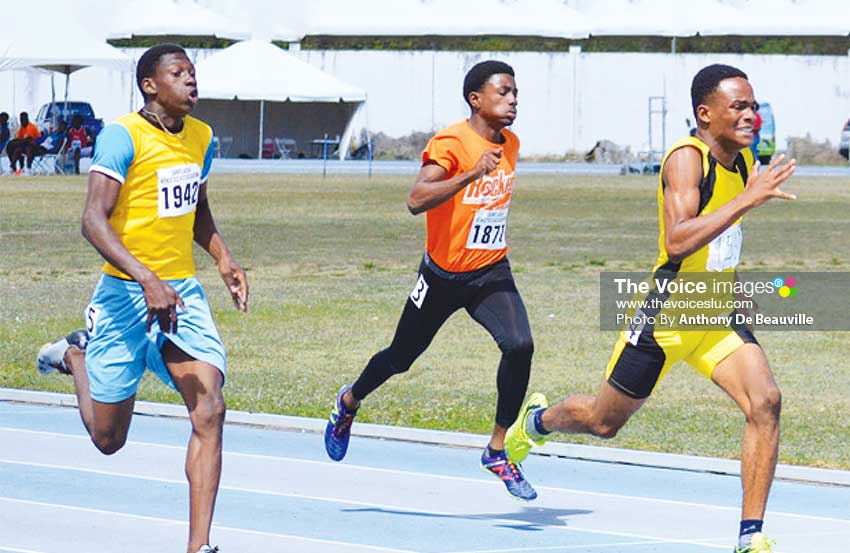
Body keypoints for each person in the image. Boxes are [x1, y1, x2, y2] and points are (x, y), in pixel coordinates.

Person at [505, 64, 796, 553]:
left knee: (766, 402)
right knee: (604, 422)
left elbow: (723, 245)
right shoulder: (687, 160)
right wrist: (746, 201)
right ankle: (536, 422)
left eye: (753, 105)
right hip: (667, 319)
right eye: (739, 107)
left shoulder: (743, 163)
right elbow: (678, 242)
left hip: (714, 313)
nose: (752, 115)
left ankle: (750, 537)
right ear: (706, 114)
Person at [36, 44, 248, 553]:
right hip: (124, 293)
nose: (191, 82)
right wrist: (146, 278)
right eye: (178, 73)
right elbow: (92, 219)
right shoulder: (121, 136)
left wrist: (222, 256)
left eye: (193, 73)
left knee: (210, 408)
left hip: (182, 294)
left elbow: (194, 204)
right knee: (108, 440)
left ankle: (199, 547)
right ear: (150, 85)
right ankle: (76, 354)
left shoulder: (202, 138)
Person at [323, 60, 538, 501]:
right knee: (401, 357)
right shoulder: (451, 142)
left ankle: (497, 450)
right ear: (476, 99)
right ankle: (349, 402)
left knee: (520, 345)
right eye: (504, 92)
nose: (513, 99)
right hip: (441, 276)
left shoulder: (511, 143)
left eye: (516, 92)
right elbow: (415, 199)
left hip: (490, 270)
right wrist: (472, 173)